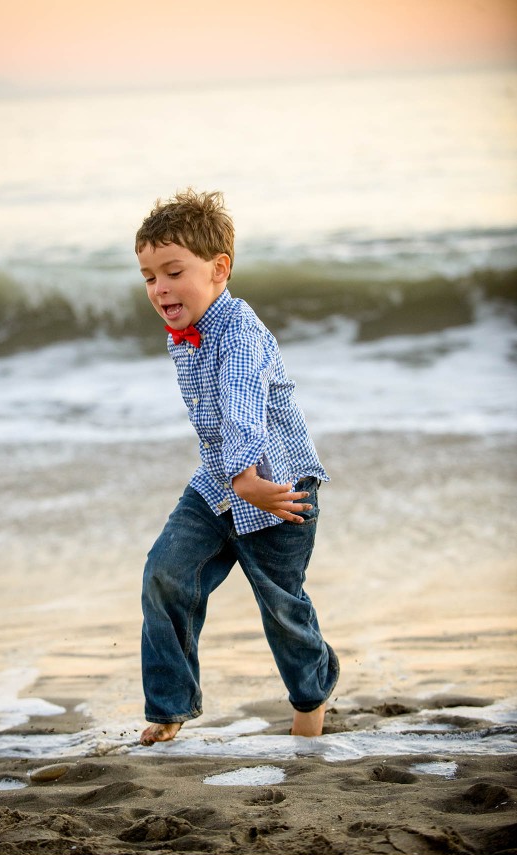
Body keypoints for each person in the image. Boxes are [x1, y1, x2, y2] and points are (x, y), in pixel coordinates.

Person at [134, 188, 339, 746]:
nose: (160, 288)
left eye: (173, 272)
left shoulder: (239, 332)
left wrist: (249, 478)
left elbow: (241, 401)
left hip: (276, 488)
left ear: (219, 269)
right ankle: (170, 707)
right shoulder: (183, 330)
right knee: (164, 574)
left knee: (282, 606)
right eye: (150, 276)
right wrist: (232, 478)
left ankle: (311, 705)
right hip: (220, 485)